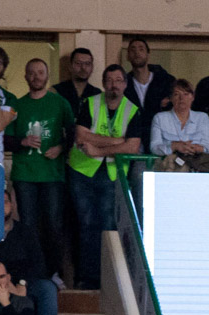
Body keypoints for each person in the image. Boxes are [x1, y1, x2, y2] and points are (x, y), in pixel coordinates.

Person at [68, 64, 143, 290]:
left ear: (125, 84)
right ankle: (86, 279)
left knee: (108, 227)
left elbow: (133, 147)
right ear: (103, 83)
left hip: (111, 174)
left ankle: (106, 280)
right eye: (109, 80)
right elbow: (81, 135)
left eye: (118, 80)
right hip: (83, 171)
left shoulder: (133, 110)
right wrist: (118, 142)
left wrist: (97, 148)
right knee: (85, 225)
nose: (114, 85)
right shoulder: (90, 103)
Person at [5, 58, 75, 280]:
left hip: (52, 175)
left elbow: (74, 134)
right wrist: (22, 142)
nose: (36, 77)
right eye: (32, 73)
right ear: (26, 77)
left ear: (47, 76)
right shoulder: (17, 105)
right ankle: (30, 274)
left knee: (54, 225)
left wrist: (61, 148)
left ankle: (54, 273)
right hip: (25, 175)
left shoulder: (60, 103)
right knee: (28, 226)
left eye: (40, 72)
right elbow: (5, 139)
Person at [124, 37, 175, 148]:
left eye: (141, 49)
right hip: (133, 141)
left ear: (148, 54)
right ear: (127, 56)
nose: (137, 52)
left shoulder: (165, 81)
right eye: (133, 50)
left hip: (163, 140)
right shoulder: (124, 85)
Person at [149, 79, 209, 157]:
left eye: (186, 94)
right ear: (171, 98)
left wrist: (194, 148)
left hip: (196, 161)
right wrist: (175, 146)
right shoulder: (160, 118)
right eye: (176, 94)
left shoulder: (202, 117)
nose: (181, 98)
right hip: (168, 162)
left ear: (193, 97)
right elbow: (154, 147)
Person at [53, 48, 101, 117]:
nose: (83, 67)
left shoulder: (97, 94)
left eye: (87, 64)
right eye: (78, 63)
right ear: (70, 66)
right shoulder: (57, 92)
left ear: (92, 68)